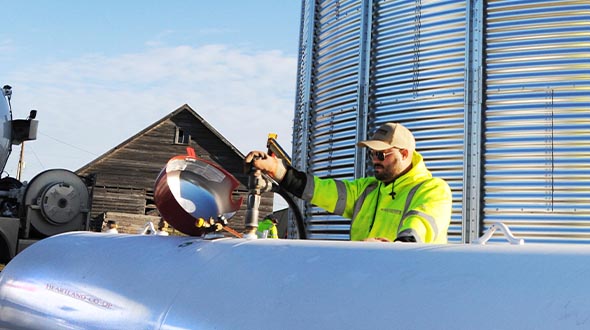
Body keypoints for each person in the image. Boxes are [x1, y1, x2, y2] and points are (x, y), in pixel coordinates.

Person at [245, 122, 452, 243]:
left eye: (381, 154)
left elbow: (420, 226)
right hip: (363, 279)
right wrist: (276, 169)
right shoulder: (368, 189)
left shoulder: (432, 190)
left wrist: (395, 249)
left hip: (407, 284)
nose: (374, 161)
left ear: (405, 154)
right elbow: (320, 190)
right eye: (371, 154)